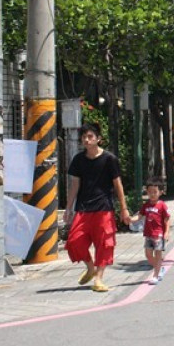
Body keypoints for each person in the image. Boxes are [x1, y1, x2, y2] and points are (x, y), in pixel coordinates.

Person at [64, 122, 130, 292]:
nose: (86, 140)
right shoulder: (78, 160)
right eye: (84, 137)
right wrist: (68, 208)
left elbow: (118, 185)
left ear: (98, 139)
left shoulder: (109, 159)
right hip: (83, 208)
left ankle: (98, 278)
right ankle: (90, 267)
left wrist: (124, 209)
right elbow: (75, 185)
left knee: (105, 244)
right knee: (74, 241)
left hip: (104, 208)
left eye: (90, 136)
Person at [132, 177, 170, 285]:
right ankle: (159, 268)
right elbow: (139, 216)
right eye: (149, 192)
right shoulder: (146, 205)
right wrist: (130, 219)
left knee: (158, 255)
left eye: (155, 192)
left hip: (158, 235)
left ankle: (155, 276)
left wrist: (167, 232)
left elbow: (167, 219)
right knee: (148, 255)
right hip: (148, 234)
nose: (152, 194)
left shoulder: (162, 205)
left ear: (161, 192)